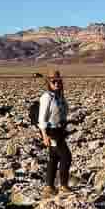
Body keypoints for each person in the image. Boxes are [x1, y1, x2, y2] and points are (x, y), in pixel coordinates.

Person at [37, 69, 72, 197]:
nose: (57, 83)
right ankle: (63, 186)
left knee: (54, 158)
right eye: (54, 81)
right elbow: (42, 118)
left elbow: (64, 111)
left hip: (60, 130)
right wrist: (44, 135)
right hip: (52, 131)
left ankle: (49, 187)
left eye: (58, 81)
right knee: (66, 156)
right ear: (49, 82)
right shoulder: (47, 97)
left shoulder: (59, 96)